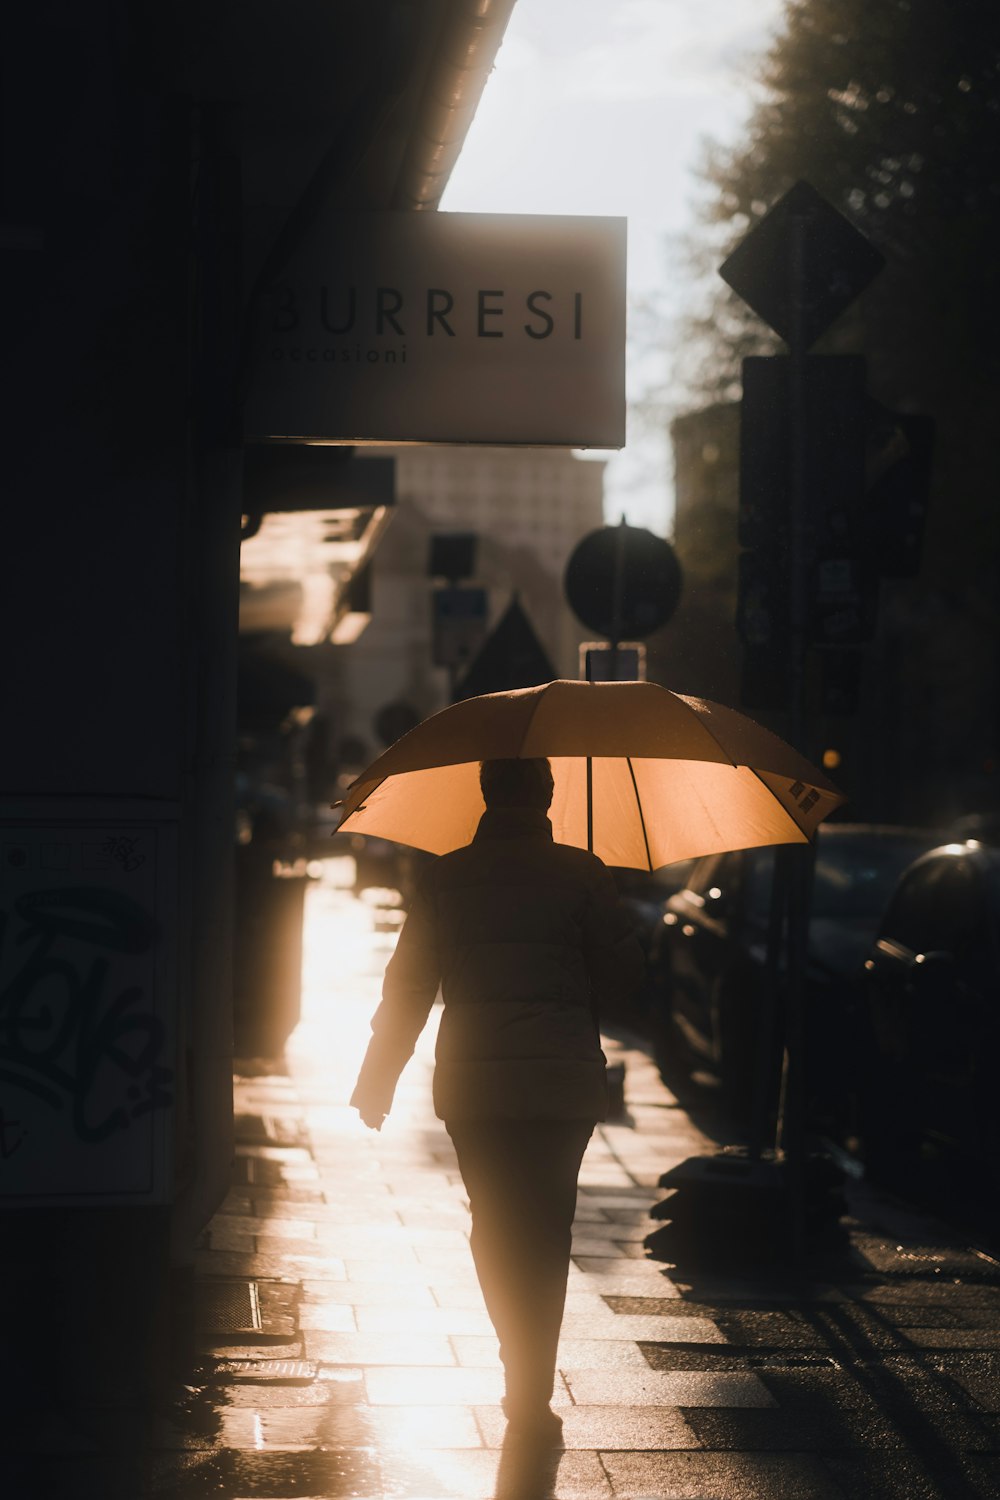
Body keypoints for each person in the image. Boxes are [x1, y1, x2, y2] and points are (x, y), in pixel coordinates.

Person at [350, 756, 644, 1438]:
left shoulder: (446, 876)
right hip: (562, 1081)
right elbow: (625, 980)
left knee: (494, 1221)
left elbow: (409, 987)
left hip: (476, 1082)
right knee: (549, 1226)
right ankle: (533, 1377)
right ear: (547, 794)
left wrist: (377, 1078)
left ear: (485, 792)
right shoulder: (583, 871)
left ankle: (514, 1350)